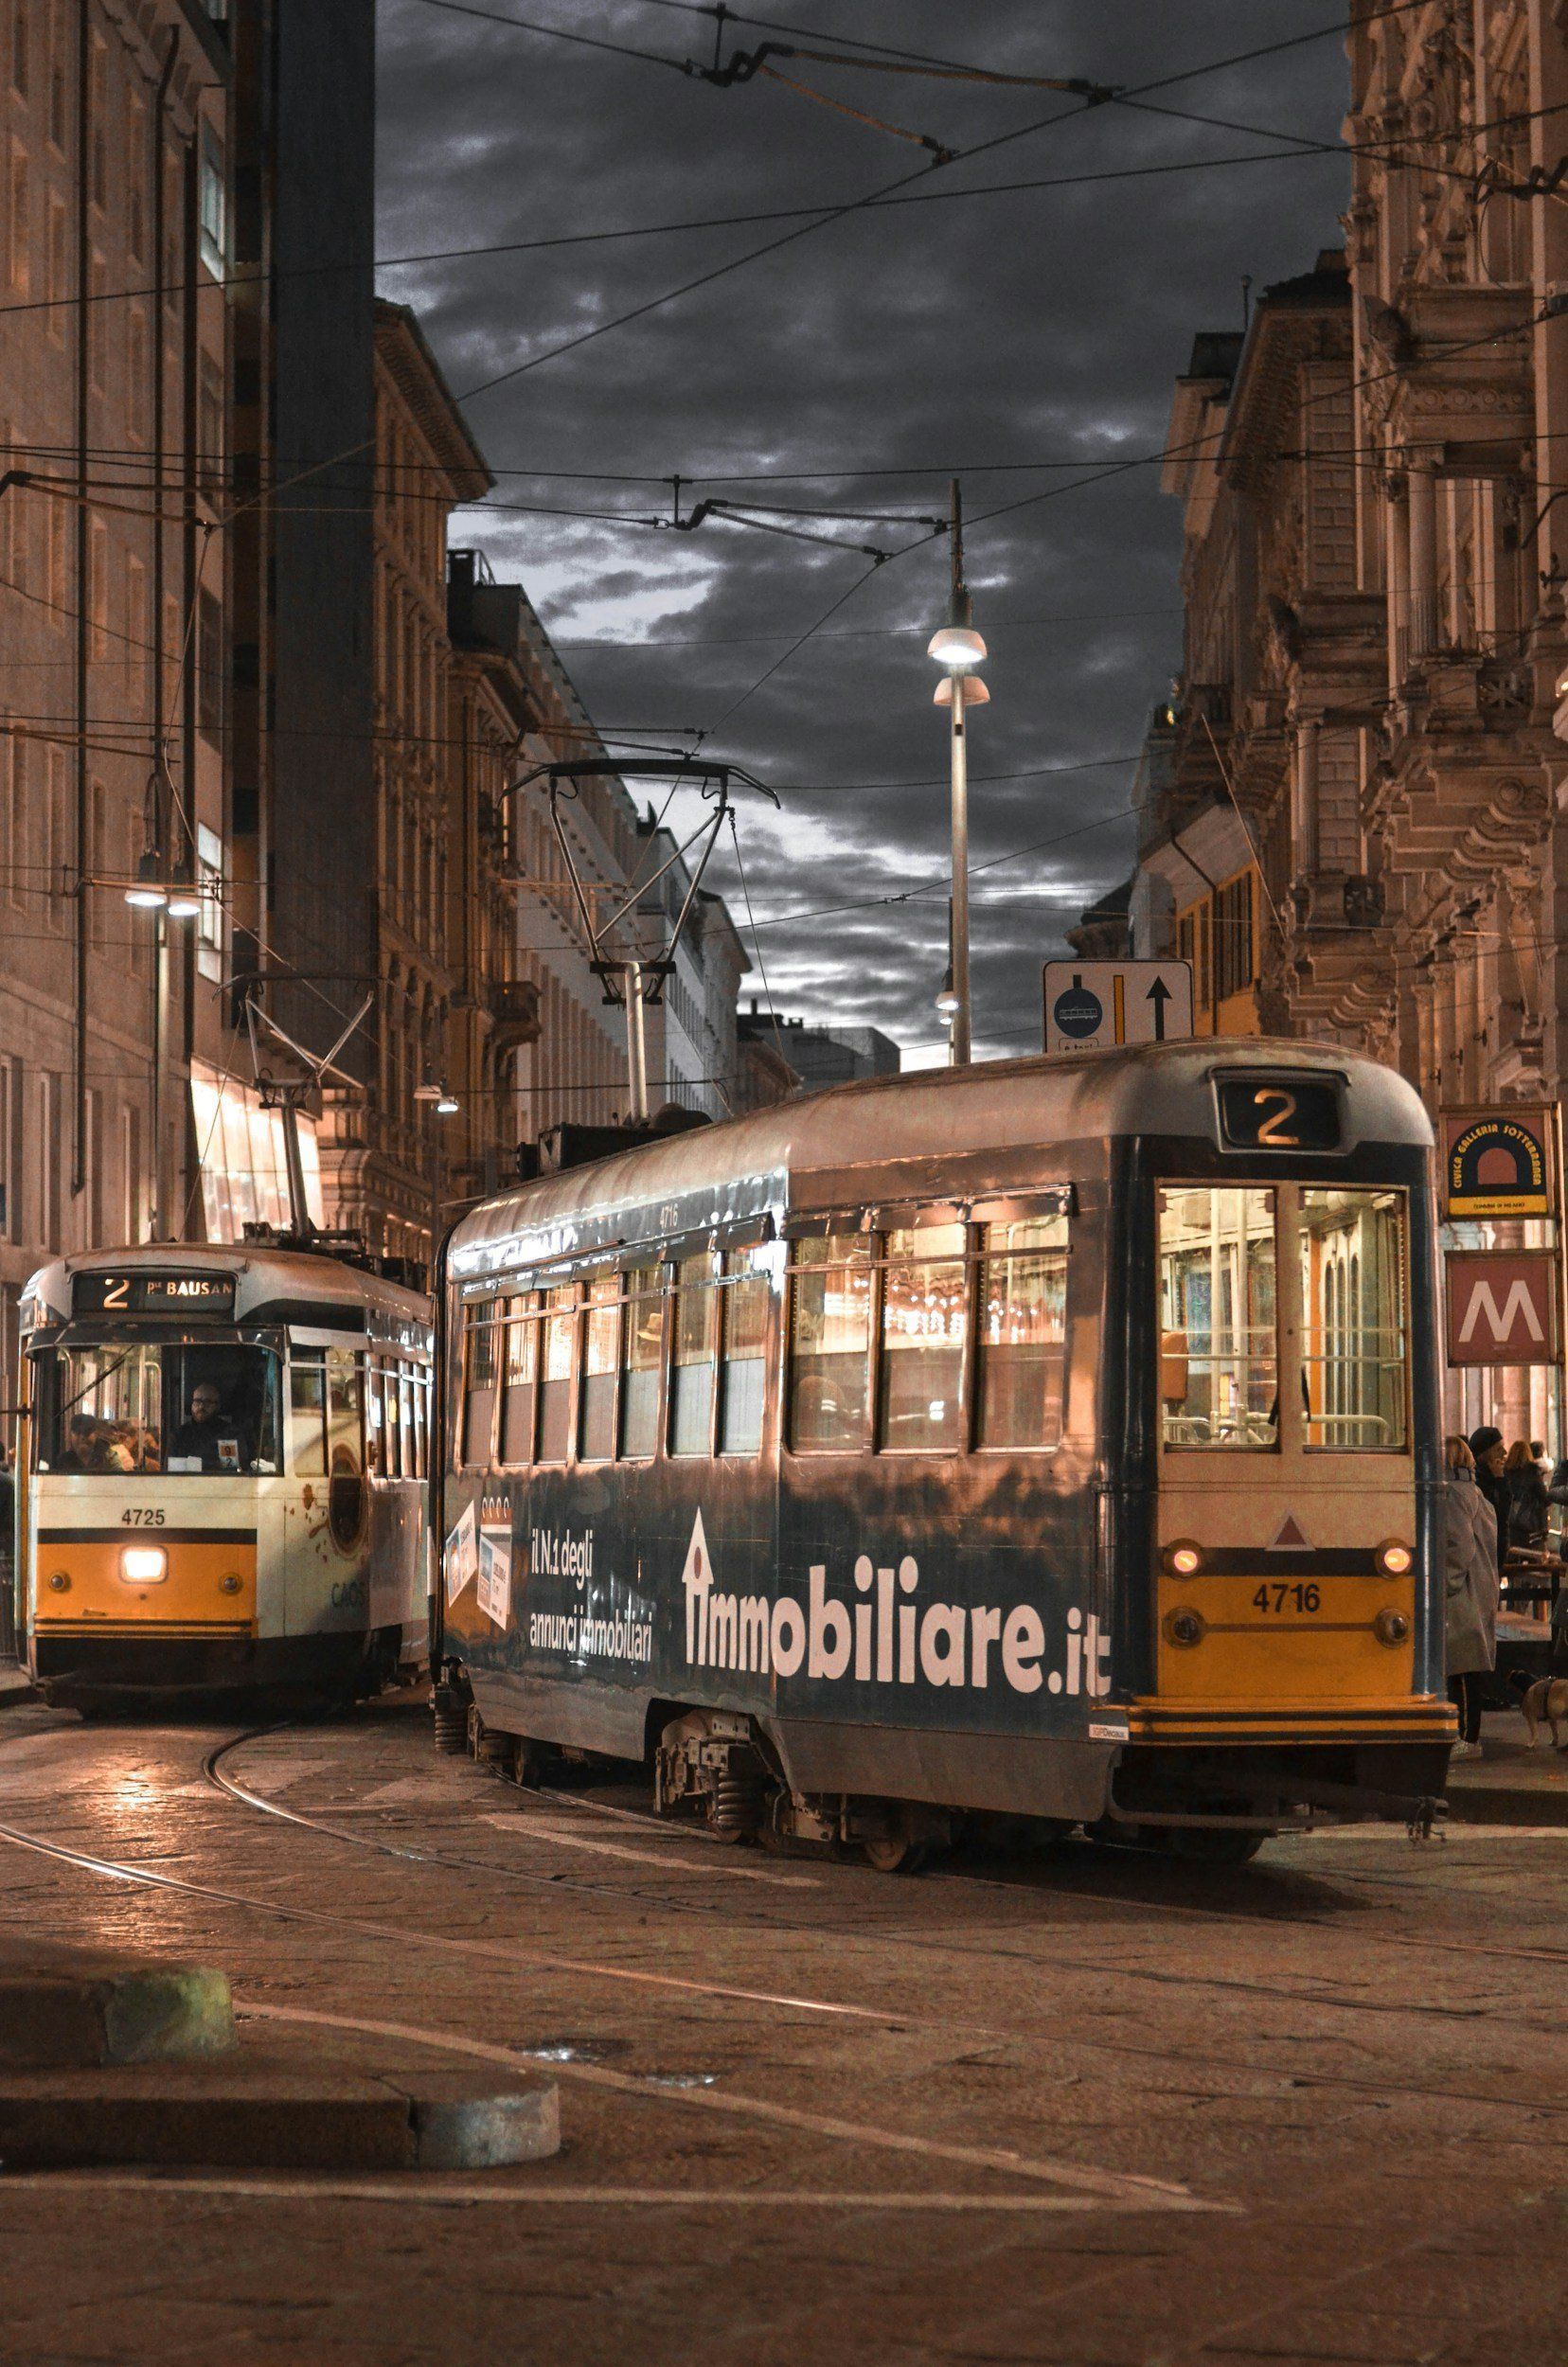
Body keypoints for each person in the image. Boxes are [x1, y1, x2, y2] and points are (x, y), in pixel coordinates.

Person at [1444, 1434, 1500, 1760]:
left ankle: (1466, 1738)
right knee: (1470, 1669)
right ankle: (1469, 1736)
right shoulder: (1476, 1492)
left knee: (1459, 1669)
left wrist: (1444, 1585)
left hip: (1461, 1592)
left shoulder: (1452, 1494)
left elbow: (1457, 1544)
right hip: (1480, 1587)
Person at [169, 1382, 249, 1473]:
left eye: (207, 1402)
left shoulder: (229, 1434)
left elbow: (230, 1469)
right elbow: (169, 1472)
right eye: (197, 1401)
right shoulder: (179, 1435)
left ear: (217, 1406)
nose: (201, 1406)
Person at [1503, 1437, 1551, 1551]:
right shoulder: (1533, 1473)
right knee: (1536, 1560)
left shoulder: (1504, 1474)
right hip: (1532, 1528)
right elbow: (1546, 1499)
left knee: (1513, 1560)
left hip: (1509, 1526)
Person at [1468, 1425, 1507, 1527]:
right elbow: (1500, 1515)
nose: (1504, 1452)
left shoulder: (1495, 1475)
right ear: (1483, 1455)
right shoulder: (1476, 1482)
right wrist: (1499, 1480)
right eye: (1498, 1449)